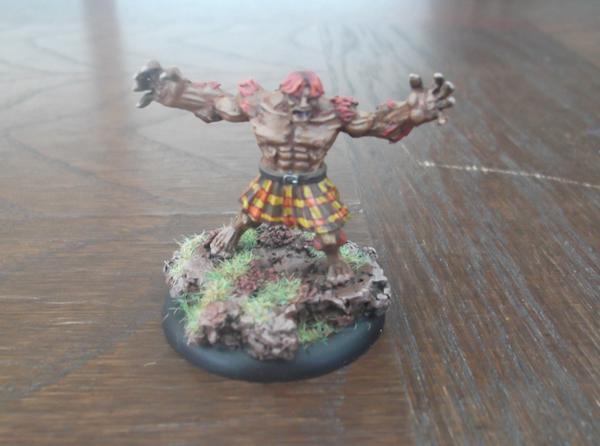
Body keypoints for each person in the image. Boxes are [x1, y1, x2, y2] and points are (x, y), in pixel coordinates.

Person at [134, 62, 455, 284]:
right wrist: (175, 93)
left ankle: (334, 261)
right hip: (271, 177)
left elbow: (374, 123)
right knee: (252, 210)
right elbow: (219, 104)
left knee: (327, 227)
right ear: (282, 93)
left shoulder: (333, 112)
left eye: (308, 101)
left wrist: (410, 112)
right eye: (294, 99)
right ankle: (235, 231)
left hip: (311, 182)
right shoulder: (259, 104)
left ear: (318, 98)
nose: (301, 105)